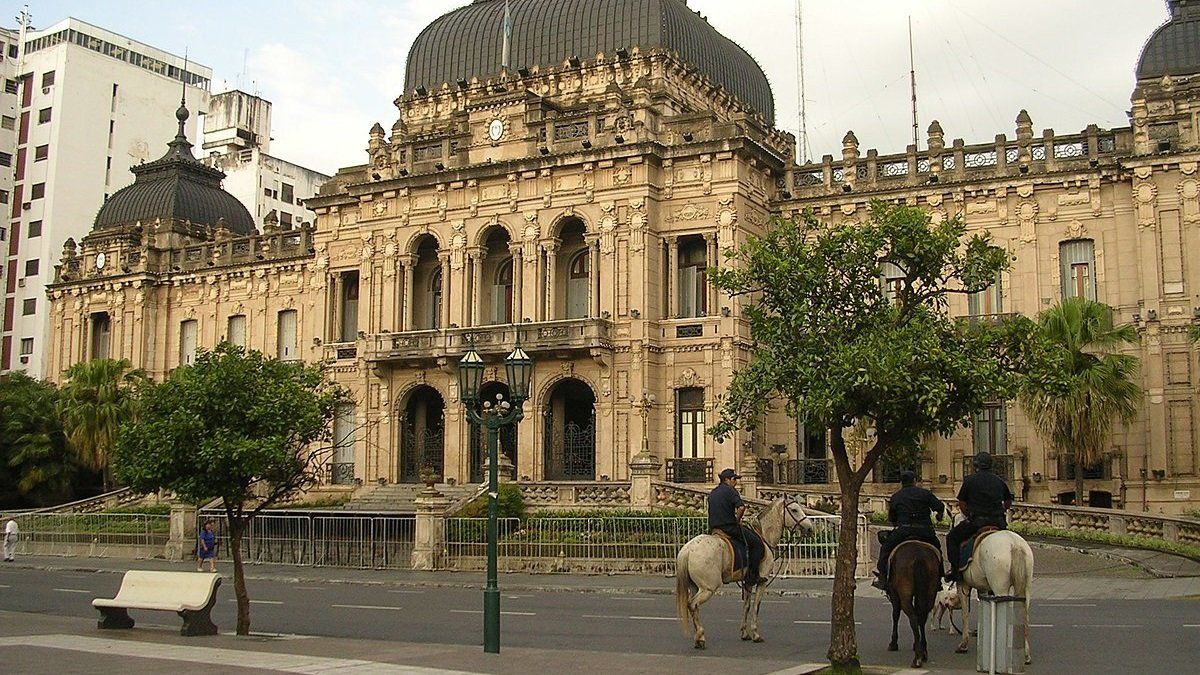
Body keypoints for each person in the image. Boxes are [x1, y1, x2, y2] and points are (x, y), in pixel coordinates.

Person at [945, 451, 1014, 582]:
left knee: (952, 538)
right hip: (998, 522)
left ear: (976, 465)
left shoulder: (970, 481)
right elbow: (1008, 502)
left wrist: (969, 515)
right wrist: (999, 510)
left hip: (977, 522)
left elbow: (962, 503)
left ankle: (955, 571)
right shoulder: (999, 481)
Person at [871, 470, 945, 591]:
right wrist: (939, 516)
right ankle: (939, 579)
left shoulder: (896, 496)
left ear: (901, 482)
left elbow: (892, 518)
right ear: (915, 481)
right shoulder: (925, 493)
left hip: (903, 531)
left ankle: (883, 578)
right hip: (924, 531)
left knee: (885, 550)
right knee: (937, 549)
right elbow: (939, 507)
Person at [708, 468, 764, 587]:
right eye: (734, 479)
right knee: (757, 543)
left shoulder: (713, 492)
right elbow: (741, 507)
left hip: (714, 528)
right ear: (727, 480)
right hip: (728, 527)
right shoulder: (731, 491)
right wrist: (737, 520)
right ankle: (752, 576)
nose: (736, 482)